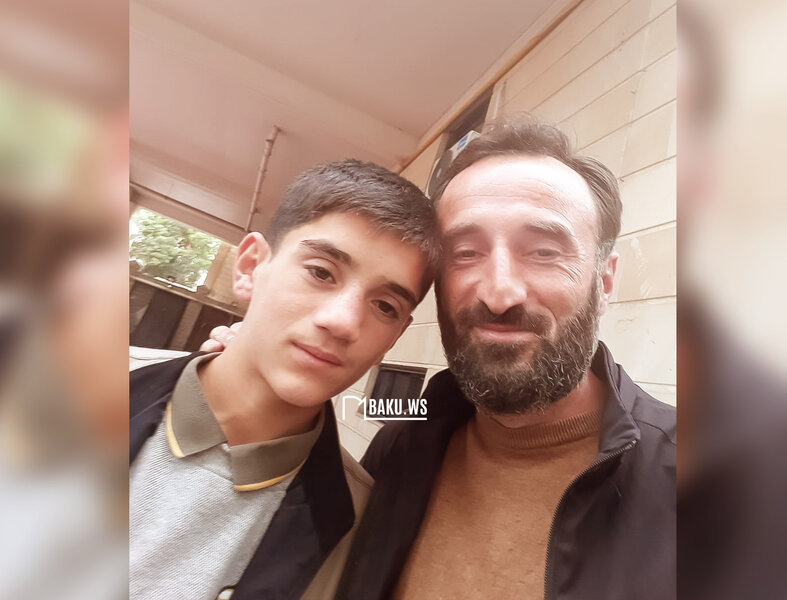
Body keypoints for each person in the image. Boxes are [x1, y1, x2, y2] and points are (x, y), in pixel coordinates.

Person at [207, 119, 676, 599]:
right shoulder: (404, 444)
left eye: (543, 252)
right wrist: (255, 382)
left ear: (604, 281)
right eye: (465, 252)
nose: (499, 294)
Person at [129, 158, 439, 600]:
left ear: (393, 339)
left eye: (385, 306)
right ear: (250, 266)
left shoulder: (356, 530)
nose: (343, 322)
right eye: (321, 272)